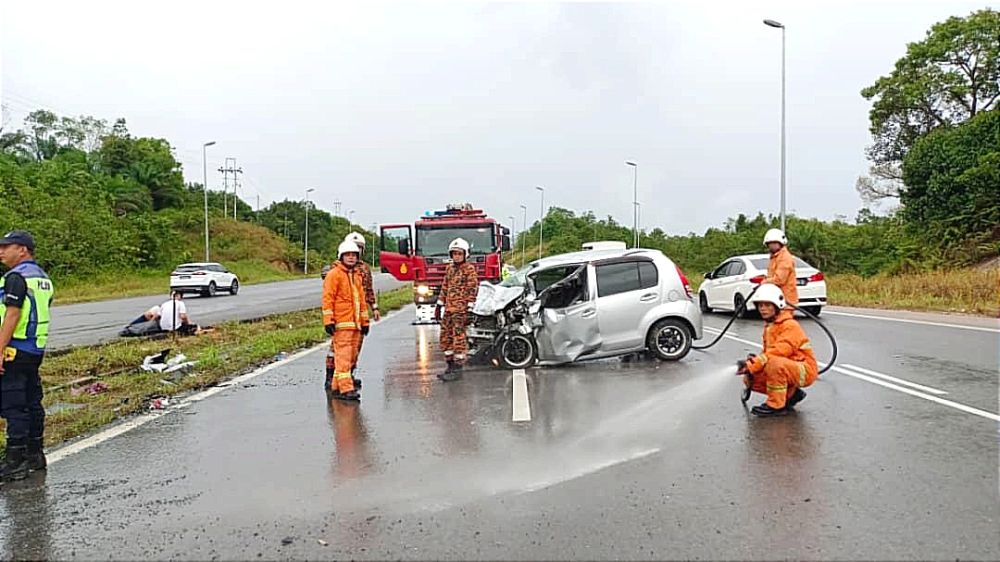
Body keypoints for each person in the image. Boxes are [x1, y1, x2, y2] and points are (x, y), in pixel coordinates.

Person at [0, 231, 53, 480]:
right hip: (35, 349)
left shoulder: (15, 278)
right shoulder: (42, 277)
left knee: (13, 405)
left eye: (6, 247)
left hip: (15, 349)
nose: (1, 252)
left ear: (22, 250)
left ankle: (15, 459)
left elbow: (12, 315)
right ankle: (35, 454)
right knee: (32, 402)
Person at [737, 283, 818, 417]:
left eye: (767, 305)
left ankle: (776, 406)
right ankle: (791, 394)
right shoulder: (770, 327)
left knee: (774, 364)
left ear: (777, 306)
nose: (763, 309)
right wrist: (750, 366)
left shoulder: (790, 325)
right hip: (787, 367)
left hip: (805, 370)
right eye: (760, 305)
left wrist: (754, 364)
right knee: (751, 378)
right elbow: (767, 354)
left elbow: (779, 351)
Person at [322, 240, 368, 401]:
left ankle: (336, 386)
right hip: (341, 324)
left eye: (353, 255)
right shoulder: (334, 275)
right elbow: (328, 299)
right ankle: (346, 389)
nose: (351, 258)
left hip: (355, 324)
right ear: (341, 256)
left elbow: (361, 301)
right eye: (347, 255)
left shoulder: (356, 276)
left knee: (352, 356)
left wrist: (365, 322)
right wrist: (328, 320)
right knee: (343, 357)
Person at [434, 238, 479, 382]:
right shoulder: (450, 269)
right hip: (449, 309)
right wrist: (439, 305)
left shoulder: (469, 269)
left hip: (461, 310)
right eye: (454, 254)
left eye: (459, 253)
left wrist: (470, 308)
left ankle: (458, 369)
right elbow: (445, 287)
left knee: (458, 339)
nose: (457, 256)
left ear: (465, 254)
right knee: (445, 337)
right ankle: (450, 366)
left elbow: (472, 289)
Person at [345, 232, 380, 381]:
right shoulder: (339, 268)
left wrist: (375, 307)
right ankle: (332, 376)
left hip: (361, 313)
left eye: (359, 248)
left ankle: (350, 374)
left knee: (356, 345)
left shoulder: (364, 268)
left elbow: (369, 289)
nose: (356, 252)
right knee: (339, 347)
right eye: (353, 248)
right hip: (344, 313)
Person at [762, 228, 799, 320]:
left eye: (774, 243)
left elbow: (779, 280)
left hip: (785, 301)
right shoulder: (775, 257)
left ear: (781, 243)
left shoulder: (784, 258)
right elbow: (772, 276)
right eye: (770, 244)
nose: (772, 246)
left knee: (783, 327)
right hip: (776, 300)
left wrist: (764, 282)